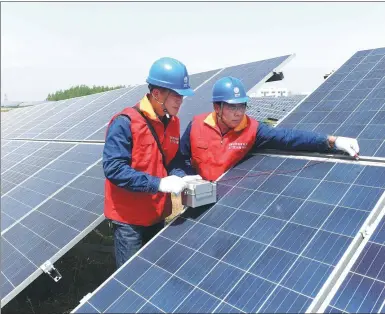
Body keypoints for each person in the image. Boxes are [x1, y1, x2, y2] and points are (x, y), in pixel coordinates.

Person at [103, 57, 200, 268]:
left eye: (182, 96)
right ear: (157, 94)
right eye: (176, 95)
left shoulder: (173, 123)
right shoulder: (125, 122)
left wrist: (181, 176)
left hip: (156, 214)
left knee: (151, 274)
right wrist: (159, 184)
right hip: (129, 221)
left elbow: (170, 160)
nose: (180, 101)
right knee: (130, 280)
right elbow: (114, 169)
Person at [175, 76, 360, 181]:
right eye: (232, 107)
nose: (239, 113)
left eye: (242, 106)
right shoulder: (196, 125)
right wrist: (183, 177)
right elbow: (179, 159)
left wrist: (332, 141)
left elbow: (288, 138)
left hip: (230, 202)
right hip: (199, 199)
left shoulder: (252, 129)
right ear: (217, 108)